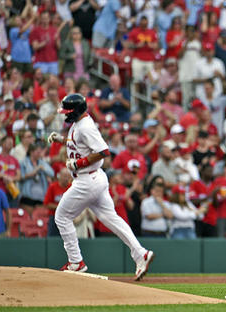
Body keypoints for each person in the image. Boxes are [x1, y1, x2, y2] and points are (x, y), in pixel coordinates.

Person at [47, 93, 155, 280]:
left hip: (86, 180)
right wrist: (61, 140)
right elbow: (78, 144)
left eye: (67, 111)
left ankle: (76, 261)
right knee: (111, 218)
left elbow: (103, 151)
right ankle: (141, 253)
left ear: (76, 111)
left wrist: (78, 164)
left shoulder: (86, 126)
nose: (65, 114)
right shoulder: (79, 124)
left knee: (62, 216)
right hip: (95, 179)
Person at [19, 142, 55, 214]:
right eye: (38, 152)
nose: (39, 154)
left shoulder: (42, 162)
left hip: (41, 196)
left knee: (39, 219)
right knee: (28, 219)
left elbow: (52, 173)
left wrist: (43, 169)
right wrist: (33, 172)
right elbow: (20, 177)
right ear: (31, 152)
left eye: (40, 152)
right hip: (27, 196)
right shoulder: (23, 162)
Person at [0, 136, 22, 206]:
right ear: (2, 144)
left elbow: (19, 176)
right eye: (9, 142)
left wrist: (11, 179)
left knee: (12, 212)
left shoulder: (15, 160)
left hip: (12, 191)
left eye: (12, 143)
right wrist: (2, 176)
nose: (11, 144)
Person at [44, 168, 73, 236]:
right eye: (64, 176)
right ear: (59, 176)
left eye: (68, 176)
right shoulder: (53, 187)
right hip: (54, 217)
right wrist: (61, 207)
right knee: (52, 238)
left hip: (67, 218)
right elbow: (47, 203)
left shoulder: (71, 187)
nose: (66, 179)